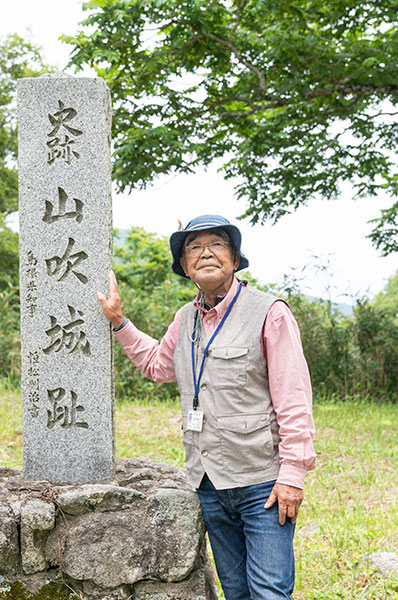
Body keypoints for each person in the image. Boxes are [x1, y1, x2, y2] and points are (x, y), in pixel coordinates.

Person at [97, 214, 316, 600]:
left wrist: (293, 474)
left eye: (217, 244)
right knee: (235, 591)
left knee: (269, 592)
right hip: (209, 483)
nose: (205, 253)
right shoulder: (185, 319)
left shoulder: (270, 312)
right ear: (184, 267)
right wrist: (119, 322)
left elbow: (294, 398)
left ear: (234, 258)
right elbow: (157, 365)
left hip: (261, 482)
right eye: (194, 248)